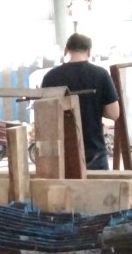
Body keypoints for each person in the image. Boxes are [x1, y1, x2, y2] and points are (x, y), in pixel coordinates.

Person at [40, 33, 120, 170]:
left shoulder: (50, 77)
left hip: (61, 154)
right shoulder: (100, 74)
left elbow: (44, 116)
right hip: (94, 153)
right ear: (89, 51)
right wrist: (94, 108)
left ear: (65, 50)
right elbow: (114, 113)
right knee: (98, 184)